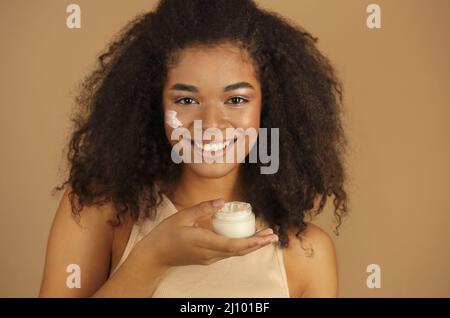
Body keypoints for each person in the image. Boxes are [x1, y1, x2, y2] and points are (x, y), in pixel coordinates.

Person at [39, 0, 348, 297]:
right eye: (186, 100)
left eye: (236, 100)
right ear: (154, 105)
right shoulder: (102, 208)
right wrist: (152, 258)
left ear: (268, 107)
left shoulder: (308, 254)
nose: (211, 124)